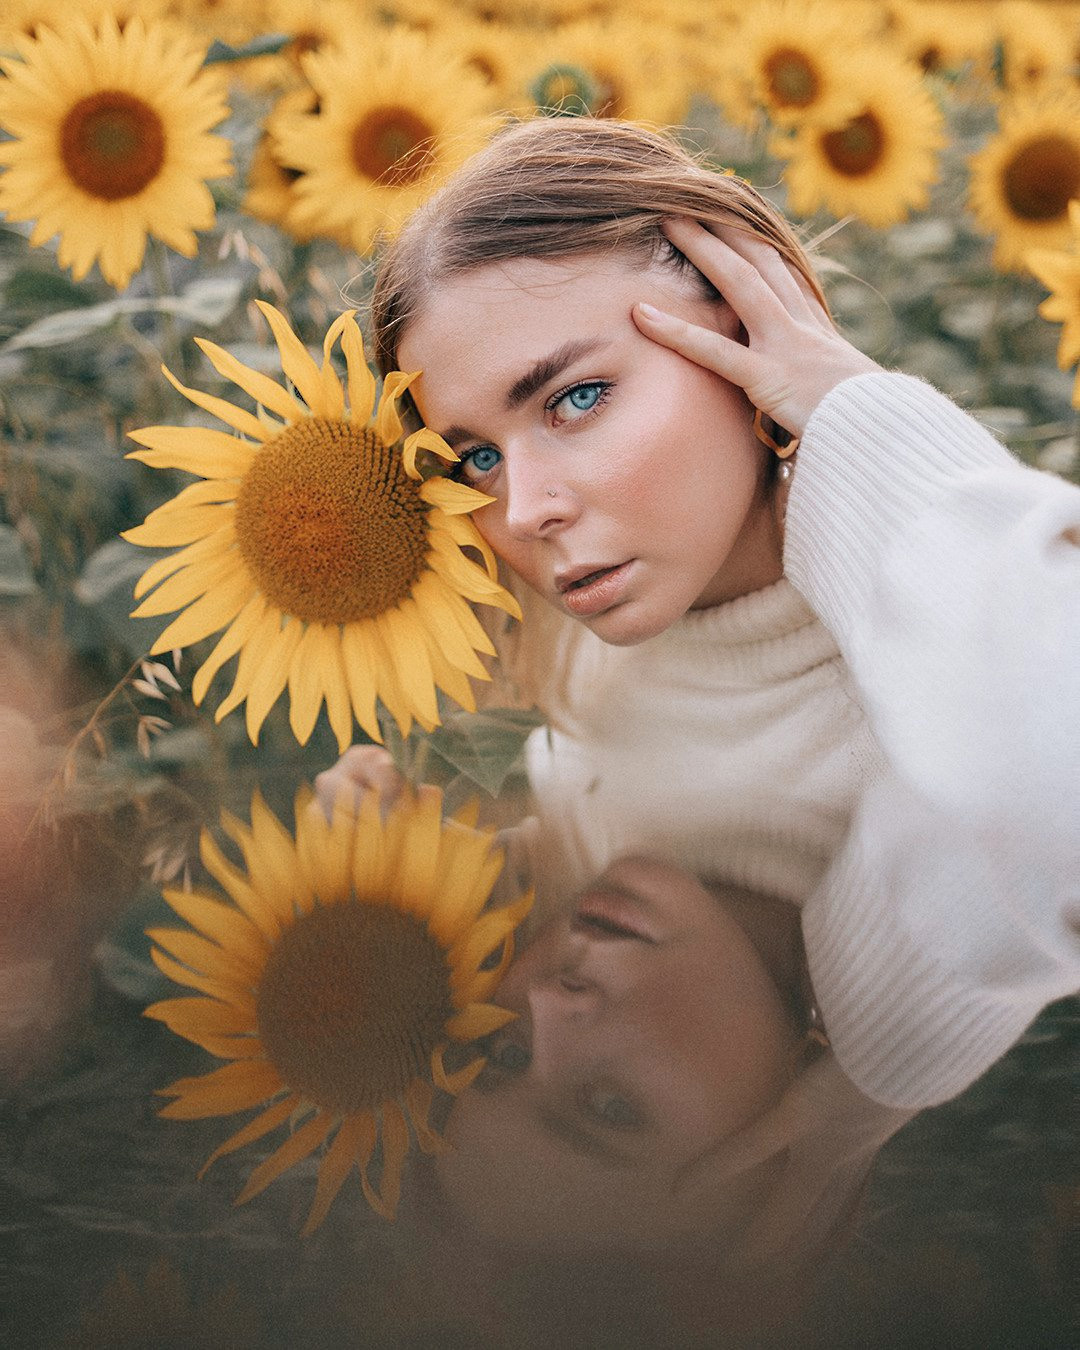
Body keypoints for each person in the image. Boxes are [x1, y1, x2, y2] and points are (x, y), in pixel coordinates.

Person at [318, 116, 1080, 1114]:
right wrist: (474, 875)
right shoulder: (583, 634)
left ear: (747, 330)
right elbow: (646, 813)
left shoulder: (901, 719)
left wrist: (851, 410)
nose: (522, 509)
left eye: (578, 396)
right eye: (479, 457)